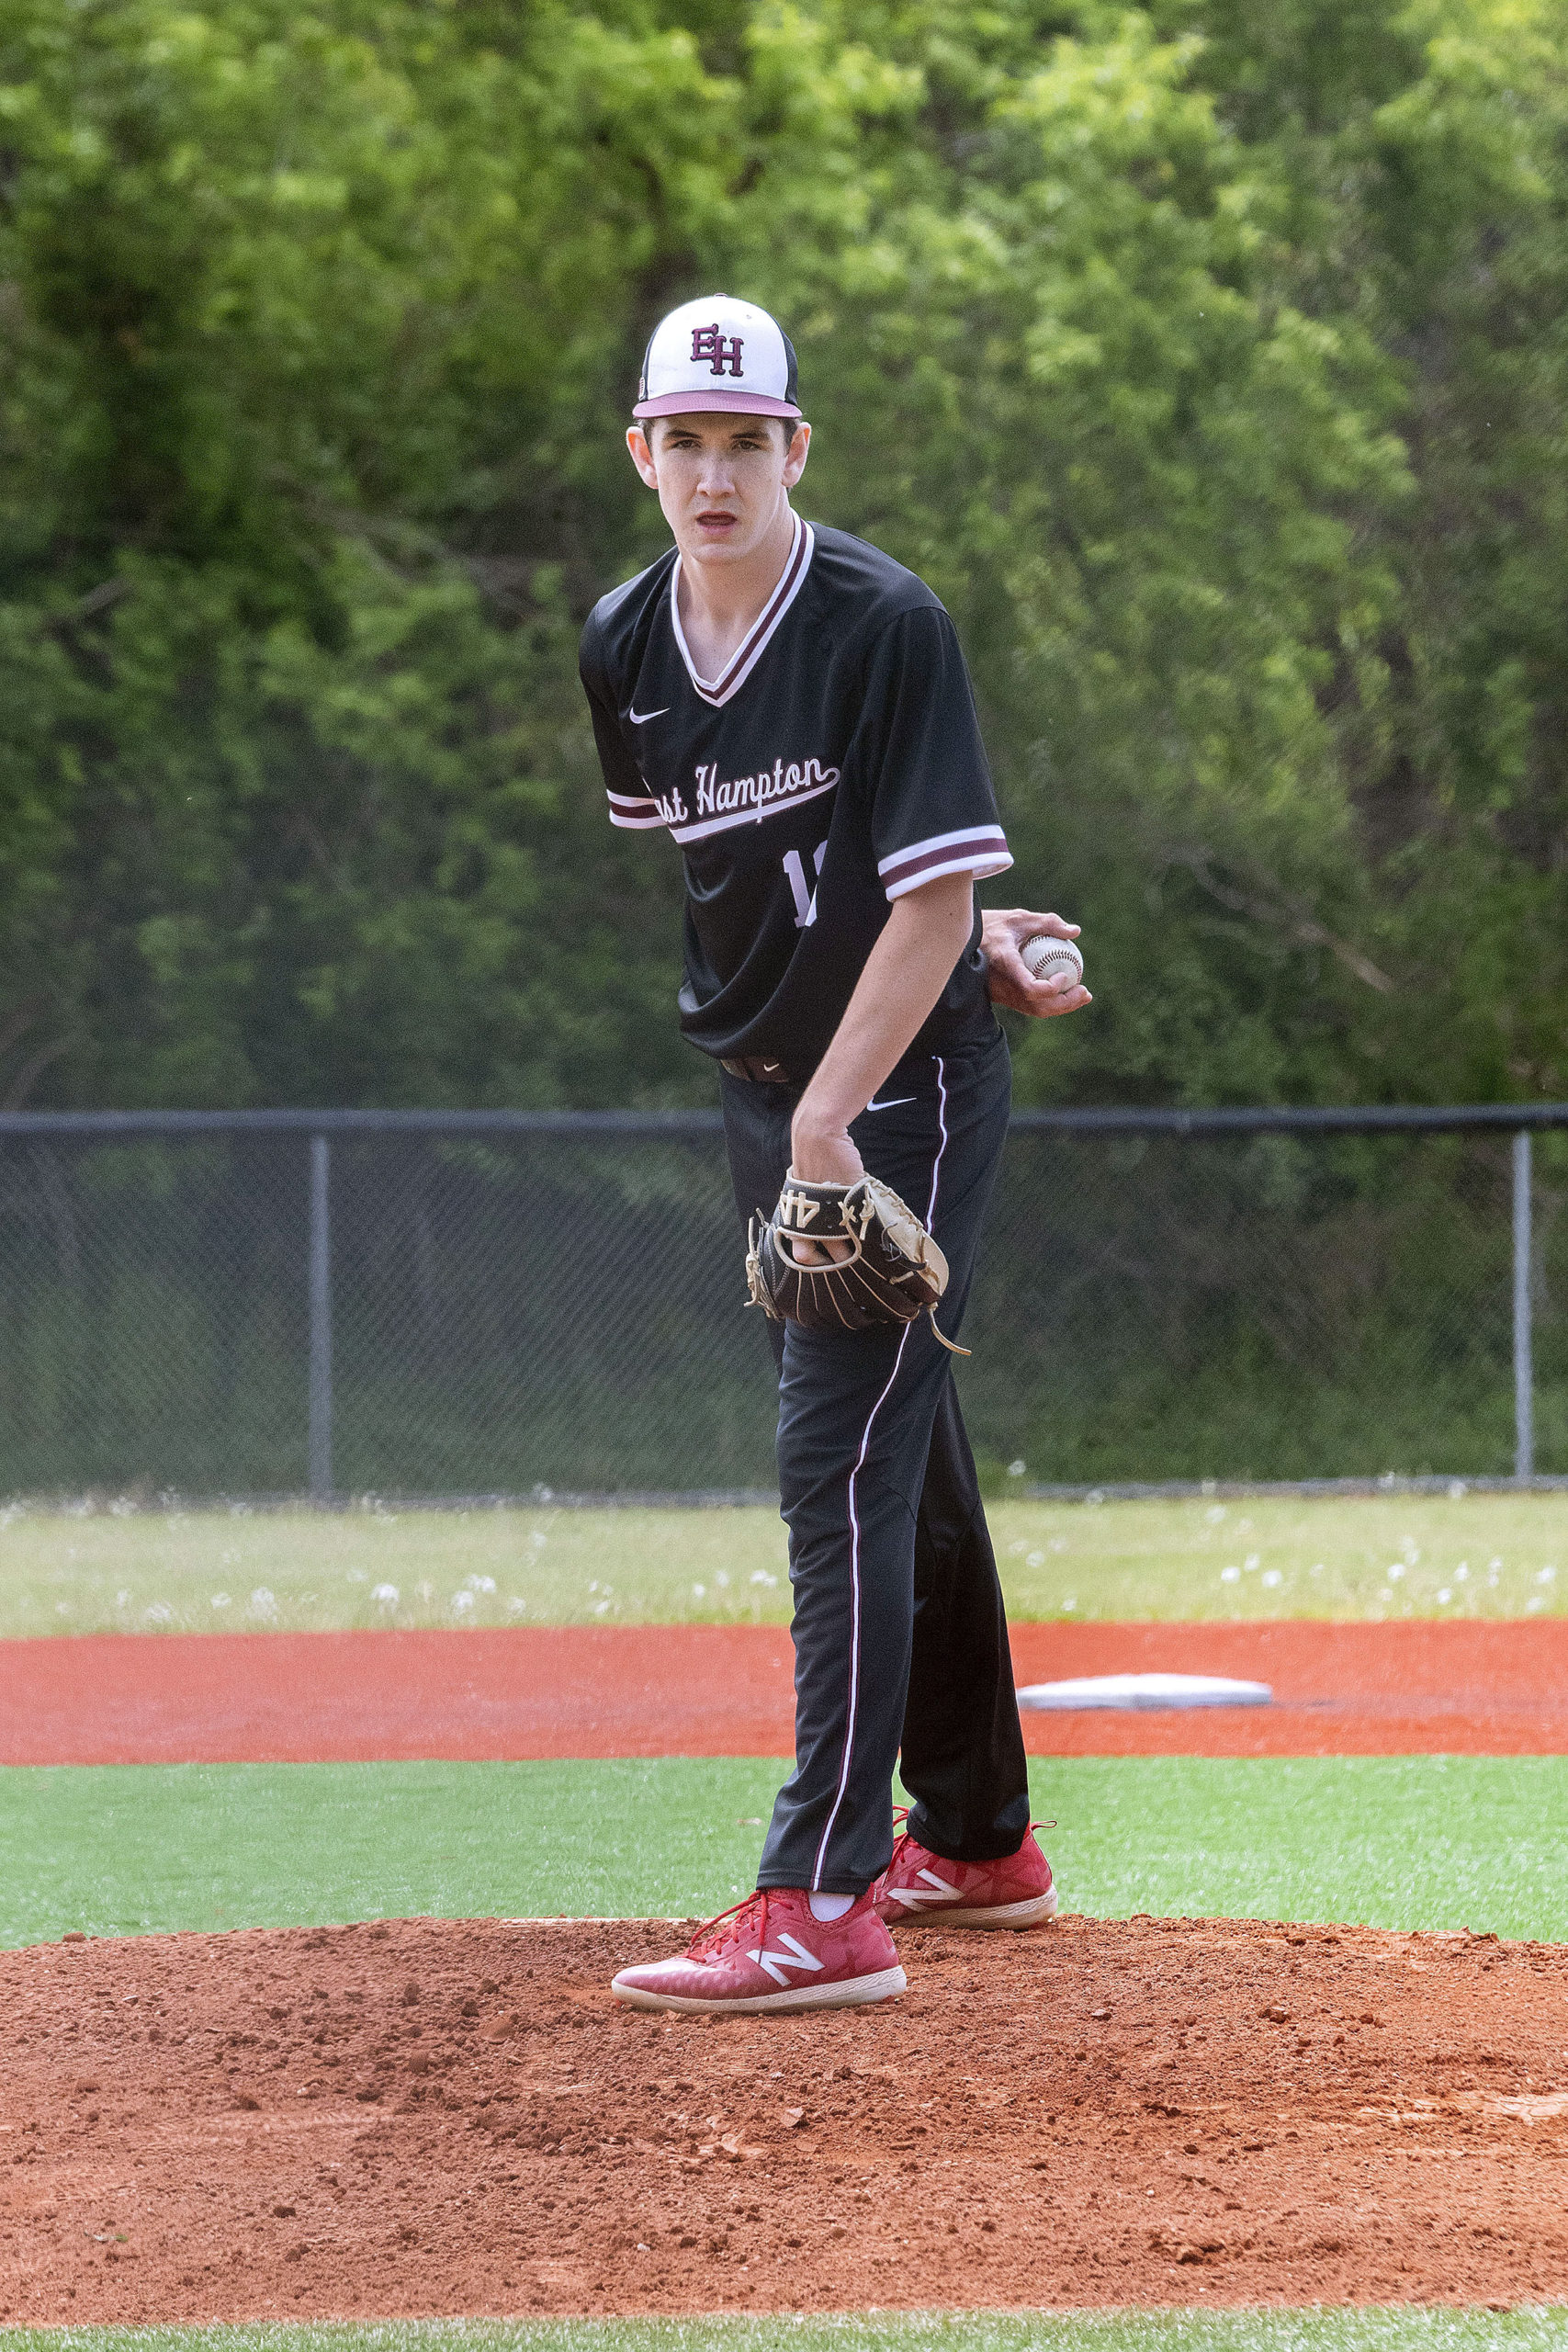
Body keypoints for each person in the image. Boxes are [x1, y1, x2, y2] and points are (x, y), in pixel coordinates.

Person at [578, 296, 1089, 2014]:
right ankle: (979, 1834)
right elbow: (785, 872)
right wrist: (954, 929)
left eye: (750, 439)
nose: (715, 471)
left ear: (796, 448)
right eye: (685, 440)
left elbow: (925, 884)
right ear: (642, 453)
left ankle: (822, 1893)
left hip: (893, 1097)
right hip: (770, 1089)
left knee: (833, 1462)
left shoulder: (882, 621)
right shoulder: (627, 646)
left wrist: (852, 1091)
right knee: (900, 1447)